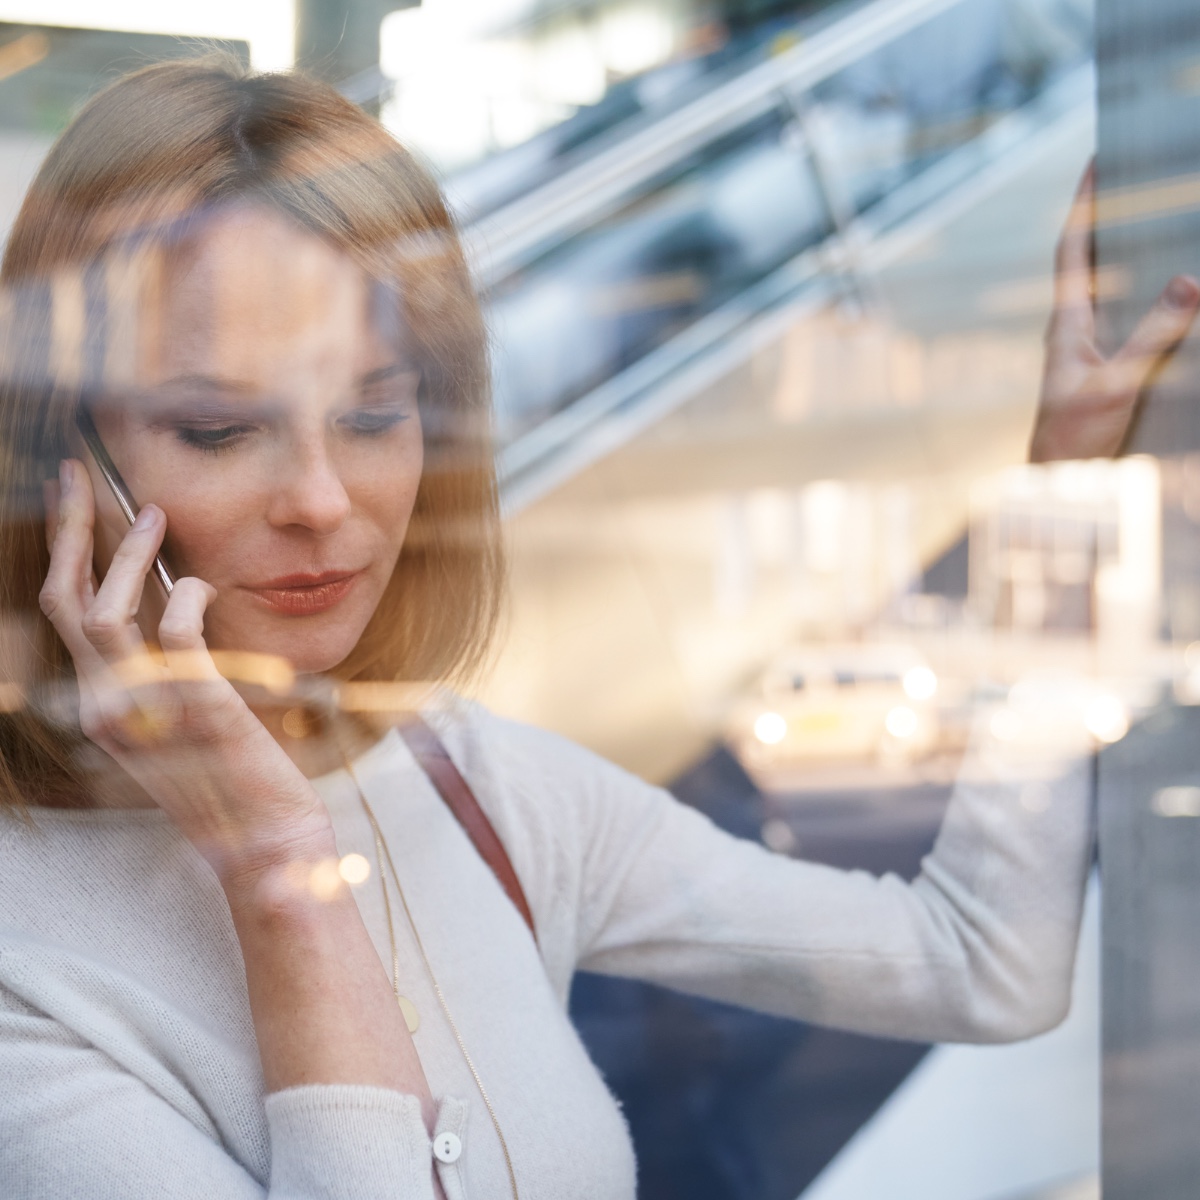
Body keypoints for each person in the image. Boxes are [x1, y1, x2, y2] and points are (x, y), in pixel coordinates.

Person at [0, 59, 1194, 1200]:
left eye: (375, 414)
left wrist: (1061, 501)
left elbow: (979, 965)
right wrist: (277, 869)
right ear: (65, 460)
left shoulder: (473, 782)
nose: (322, 499)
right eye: (218, 431)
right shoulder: (27, 960)